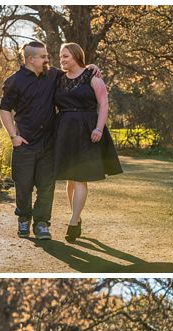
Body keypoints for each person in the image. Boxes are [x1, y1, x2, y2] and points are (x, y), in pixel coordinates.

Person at [0, 41, 102, 240]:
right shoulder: (14, 81)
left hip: (50, 142)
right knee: (23, 185)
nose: (48, 59)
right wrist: (14, 136)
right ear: (31, 59)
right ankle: (23, 219)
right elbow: (4, 109)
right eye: (44, 56)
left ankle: (42, 224)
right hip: (25, 143)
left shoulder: (53, 75)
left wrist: (91, 67)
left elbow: (77, 73)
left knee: (47, 186)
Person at [53, 42, 123, 242]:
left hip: (86, 129)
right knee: (69, 179)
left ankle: (73, 222)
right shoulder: (59, 78)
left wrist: (99, 128)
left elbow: (103, 104)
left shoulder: (93, 78)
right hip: (64, 130)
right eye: (60, 56)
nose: (62, 60)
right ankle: (77, 215)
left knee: (80, 177)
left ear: (76, 56)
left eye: (65, 56)